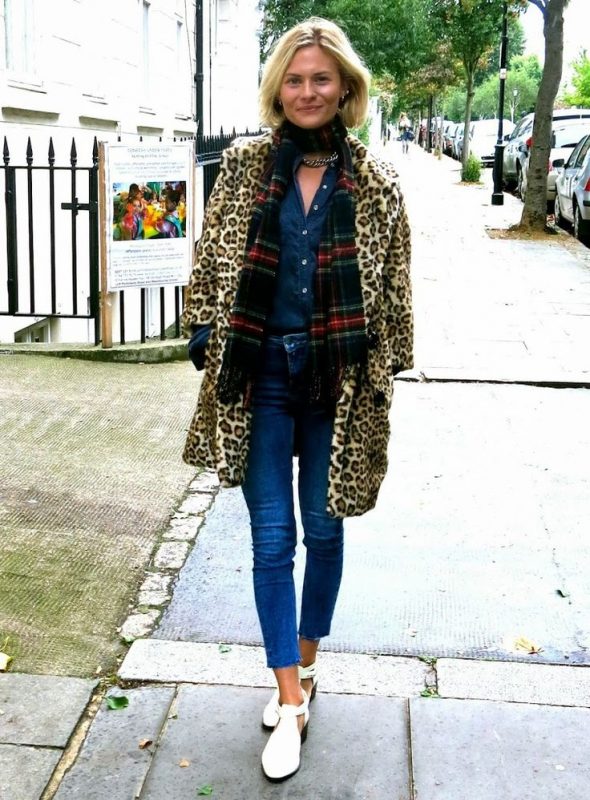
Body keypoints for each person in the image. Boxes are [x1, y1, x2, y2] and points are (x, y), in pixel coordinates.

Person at [182, 16, 413, 783]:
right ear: (278, 88)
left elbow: (396, 290)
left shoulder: (377, 181)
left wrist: (385, 373)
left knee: (325, 528)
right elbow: (213, 256)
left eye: (321, 78)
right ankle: (288, 699)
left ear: (344, 88)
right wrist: (204, 328)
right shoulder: (245, 165)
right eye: (295, 78)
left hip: (338, 384)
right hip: (262, 376)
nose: (308, 90)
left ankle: (305, 665)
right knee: (272, 538)